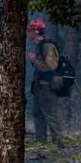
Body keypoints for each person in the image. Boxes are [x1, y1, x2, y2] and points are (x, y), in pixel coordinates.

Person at [26, 18, 64, 148]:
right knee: (37, 112)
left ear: (35, 31)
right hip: (39, 85)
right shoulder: (39, 46)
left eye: (29, 30)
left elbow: (50, 66)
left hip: (47, 86)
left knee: (50, 113)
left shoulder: (47, 46)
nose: (28, 33)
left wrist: (34, 60)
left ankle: (58, 144)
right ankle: (41, 142)